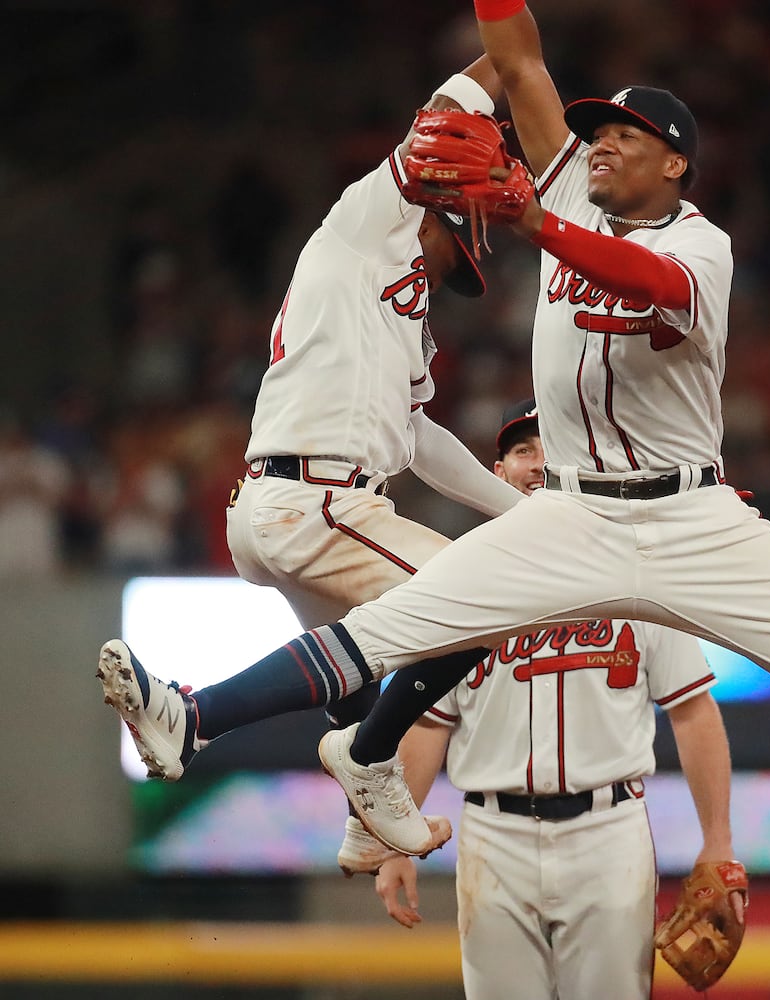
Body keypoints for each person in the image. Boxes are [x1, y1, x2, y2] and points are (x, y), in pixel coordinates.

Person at [97, 0, 770, 871]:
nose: (598, 143)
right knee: (403, 624)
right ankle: (191, 722)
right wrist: (529, 169)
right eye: (594, 132)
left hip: (695, 516)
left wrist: (533, 220)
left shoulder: (700, 249)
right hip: (572, 515)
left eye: (626, 137)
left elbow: (640, 281)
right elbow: (514, 53)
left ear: (676, 166)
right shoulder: (562, 192)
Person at [99, 54, 528, 854]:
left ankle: (365, 813)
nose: (453, 262)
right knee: (484, 600)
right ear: (444, 205)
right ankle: (195, 717)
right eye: (459, 241)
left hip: (289, 500)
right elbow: (439, 115)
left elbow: (421, 441)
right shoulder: (367, 223)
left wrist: (524, 510)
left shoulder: (402, 314)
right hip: (319, 500)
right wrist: (507, 53)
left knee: (359, 672)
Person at [351, 400, 738, 1000]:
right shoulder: (457, 578)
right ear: (497, 472)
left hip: (607, 833)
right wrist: (396, 837)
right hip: (491, 835)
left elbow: (693, 710)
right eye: (523, 451)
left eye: (551, 450)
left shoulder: (636, 569)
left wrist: (719, 840)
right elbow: (427, 723)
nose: (537, 464)